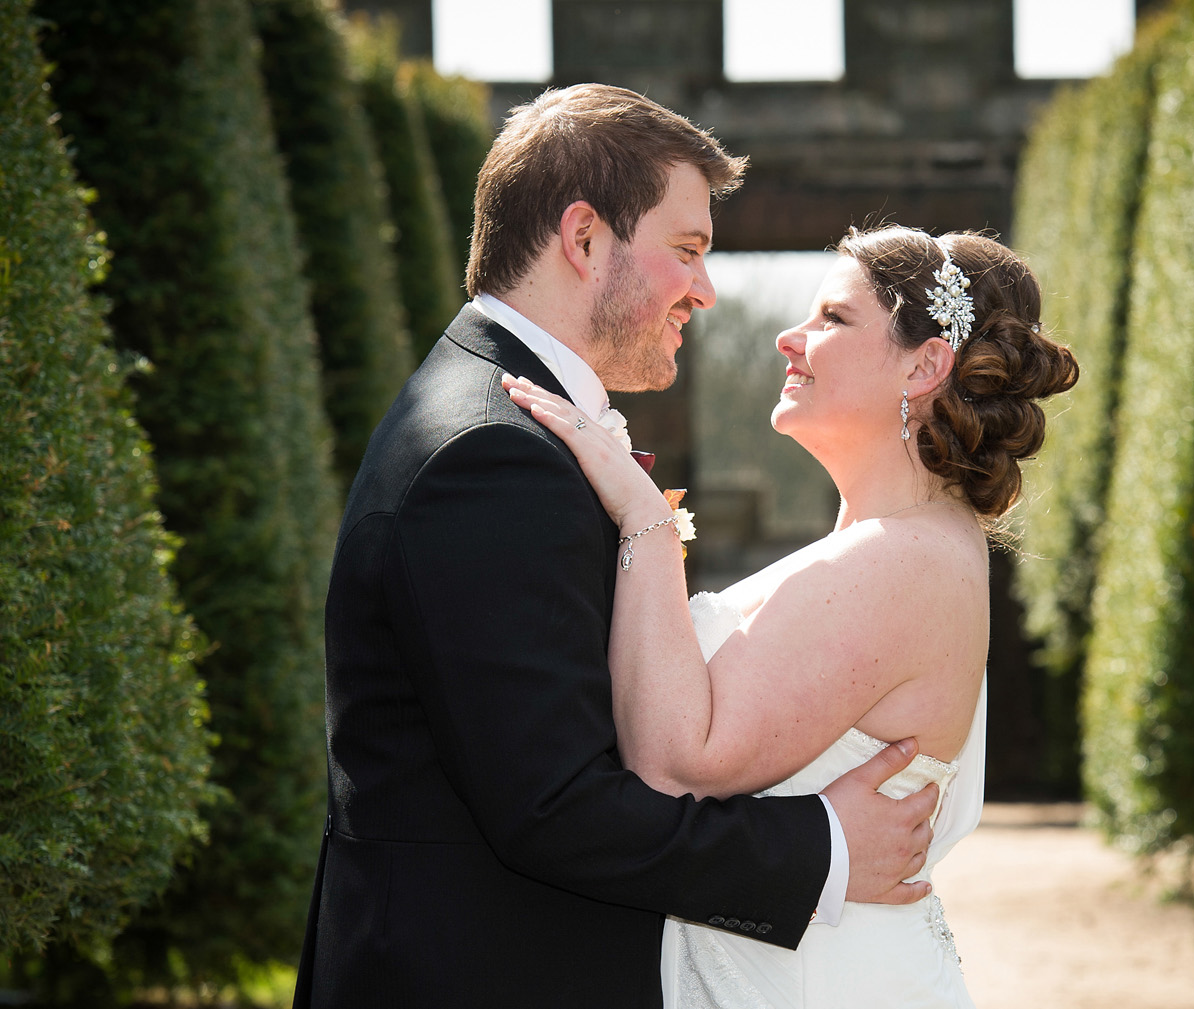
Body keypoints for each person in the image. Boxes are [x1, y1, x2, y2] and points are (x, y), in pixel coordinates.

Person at [291, 84, 943, 1009]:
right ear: (585, 238)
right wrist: (824, 847)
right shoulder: (488, 454)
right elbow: (555, 808)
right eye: (687, 252)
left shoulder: (501, 417)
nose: (707, 291)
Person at [505, 223, 1079, 1007]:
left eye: (832, 319)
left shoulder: (898, 559)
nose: (788, 336)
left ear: (925, 363)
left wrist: (643, 519)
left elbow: (675, 764)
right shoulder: (906, 545)